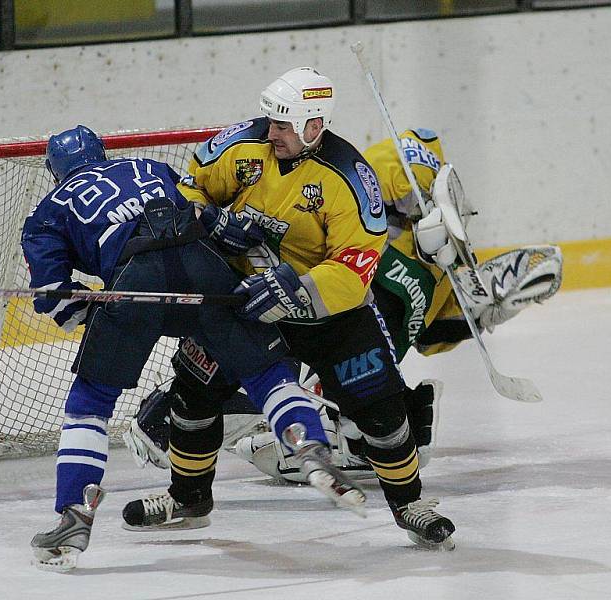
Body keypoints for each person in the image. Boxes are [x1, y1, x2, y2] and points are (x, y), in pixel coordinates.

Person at [121, 67, 457, 551]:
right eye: (271, 122)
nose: (271, 131)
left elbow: (353, 269)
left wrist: (295, 289)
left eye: (283, 126)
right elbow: (188, 191)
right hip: (245, 305)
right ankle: (188, 500)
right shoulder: (242, 146)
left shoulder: (350, 179)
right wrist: (213, 224)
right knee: (193, 395)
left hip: (329, 317)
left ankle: (410, 506)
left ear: (314, 126)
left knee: (382, 410)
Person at [126, 128, 562, 486]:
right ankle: (177, 412)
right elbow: (389, 166)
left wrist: (488, 309)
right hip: (299, 292)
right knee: (255, 359)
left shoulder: (443, 280)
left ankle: (331, 432)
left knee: (402, 432)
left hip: (342, 341)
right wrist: (427, 201)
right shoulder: (386, 189)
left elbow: (430, 337)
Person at [24, 125, 361, 571]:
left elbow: (56, 299)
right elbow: (206, 218)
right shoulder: (147, 167)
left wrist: (93, 310)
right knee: (267, 371)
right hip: (202, 268)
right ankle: (309, 446)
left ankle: (74, 512)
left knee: (90, 402)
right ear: (103, 153)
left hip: (135, 280)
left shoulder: (47, 212)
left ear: (54, 171)